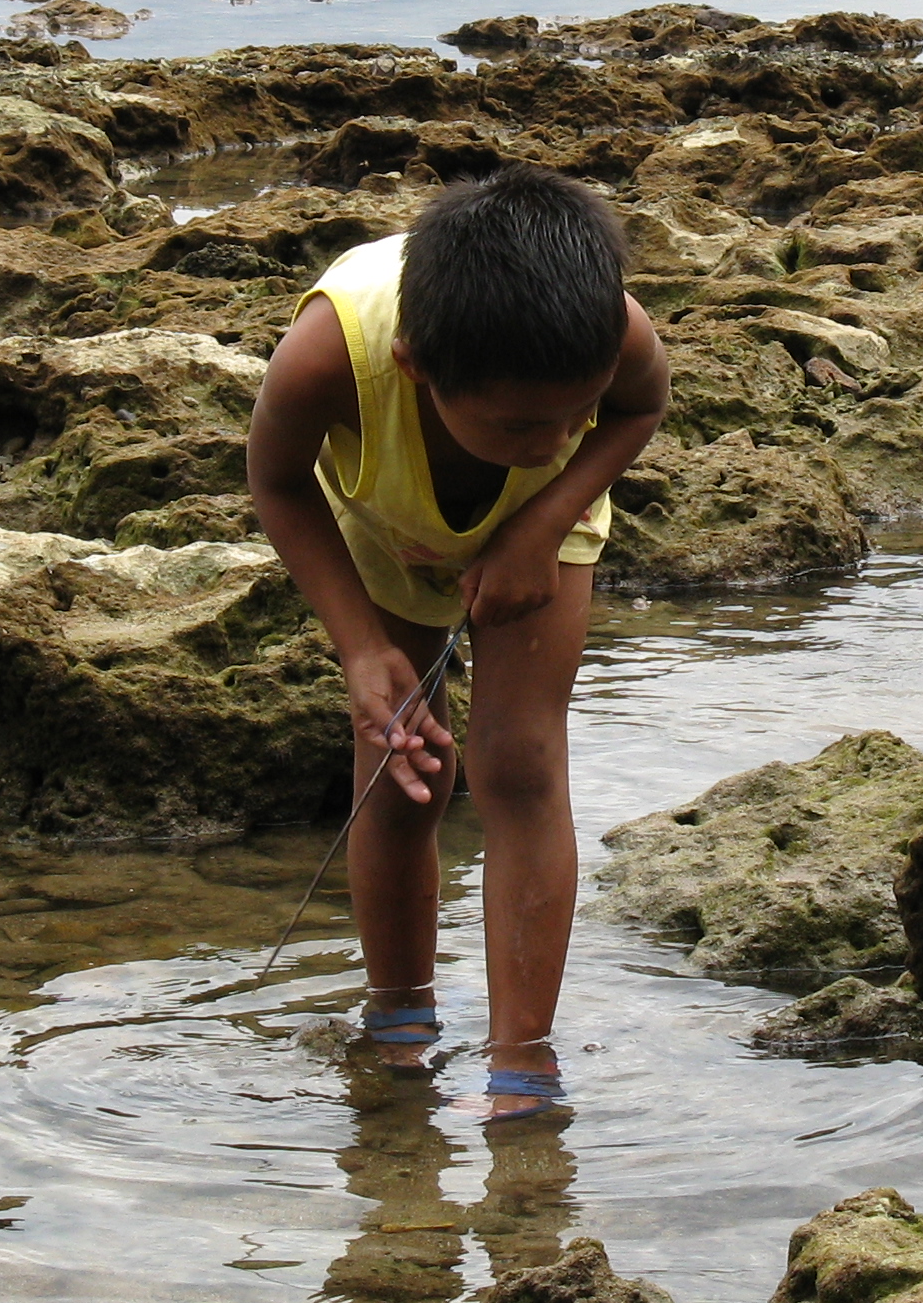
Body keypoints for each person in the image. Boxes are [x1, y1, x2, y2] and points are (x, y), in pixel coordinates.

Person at [244, 165, 670, 1120]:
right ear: (416, 367)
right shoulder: (332, 354)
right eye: (524, 422)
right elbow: (276, 482)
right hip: (385, 521)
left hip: (544, 529)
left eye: (575, 410)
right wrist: (359, 647)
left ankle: (523, 1064)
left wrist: (545, 514)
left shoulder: (608, 331)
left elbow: (640, 407)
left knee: (518, 763)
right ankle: (399, 1019)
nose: (556, 432)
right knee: (403, 763)